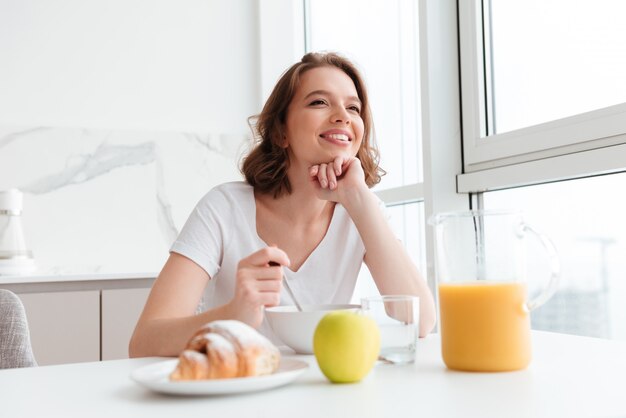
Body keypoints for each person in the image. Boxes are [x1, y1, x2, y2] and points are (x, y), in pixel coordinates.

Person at [129, 52, 435, 357]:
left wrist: (359, 199)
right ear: (280, 131)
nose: (343, 115)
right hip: (236, 393)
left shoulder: (362, 210)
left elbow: (419, 323)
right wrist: (234, 314)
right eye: (319, 102)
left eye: (353, 107)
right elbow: (143, 342)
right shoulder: (223, 208)